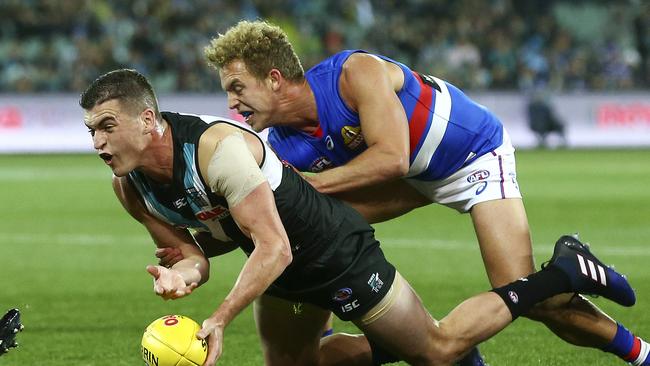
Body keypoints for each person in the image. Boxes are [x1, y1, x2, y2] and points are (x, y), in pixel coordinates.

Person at [80, 69, 637, 366]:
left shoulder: (218, 149)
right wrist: (184, 273)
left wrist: (220, 316)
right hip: (277, 262)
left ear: (148, 119)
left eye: (107, 126)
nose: (98, 142)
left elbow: (274, 245)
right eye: (90, 131)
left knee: (439, 350)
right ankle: (405, 343)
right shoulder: (128, 189)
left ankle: (563, 274)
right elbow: (199, 252)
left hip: (329, 250)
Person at [203, 20, 650, 365]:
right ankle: (396, 336)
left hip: (471, 155)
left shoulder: (352, 74)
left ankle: (635, 347)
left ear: (275, 78)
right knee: (314, 228)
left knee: (525, 295)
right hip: (410, 181)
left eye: (238, 88)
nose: (232, 104)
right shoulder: (280, 145)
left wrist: (310, 186)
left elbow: (392, 157)